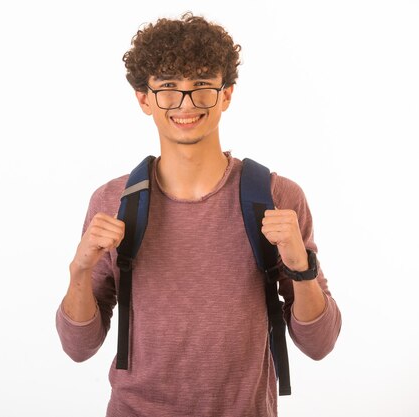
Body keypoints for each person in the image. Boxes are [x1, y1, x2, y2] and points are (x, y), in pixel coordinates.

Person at [56, 12, 341, 417]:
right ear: (144, 98)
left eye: (202, 86)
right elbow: (78, 348)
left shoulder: (277, 196)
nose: (185, 104)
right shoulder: (113, 200)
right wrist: (80, 271)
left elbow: (320, 344)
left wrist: (301, 268)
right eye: (169, 88)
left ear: (225, 95)